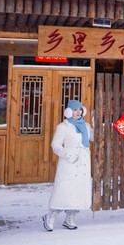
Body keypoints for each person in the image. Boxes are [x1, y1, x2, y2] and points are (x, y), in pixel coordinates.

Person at [43, 99, 93, 231]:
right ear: (69, 112)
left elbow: (93, 137)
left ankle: (70, 218)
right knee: (64, 190)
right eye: (75, 110)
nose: (78, 112)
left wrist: (96, 122)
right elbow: (55, 145)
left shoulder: (86, 125)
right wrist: (66, 154)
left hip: (83, 162)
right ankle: (51, 216)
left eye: (80, 109)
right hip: (69, 163)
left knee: (78, 191)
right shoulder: (63, 127)